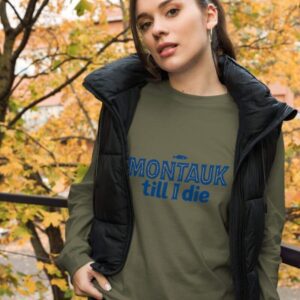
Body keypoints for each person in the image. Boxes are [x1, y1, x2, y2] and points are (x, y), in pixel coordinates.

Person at [55, 0, 298, 299]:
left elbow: (266, 239)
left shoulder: (259, 125)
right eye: (145, 24)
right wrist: (76, 257)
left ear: (209, 15)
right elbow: (90, 190)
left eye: (172, 11)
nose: (157, 29)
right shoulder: (125, 104)